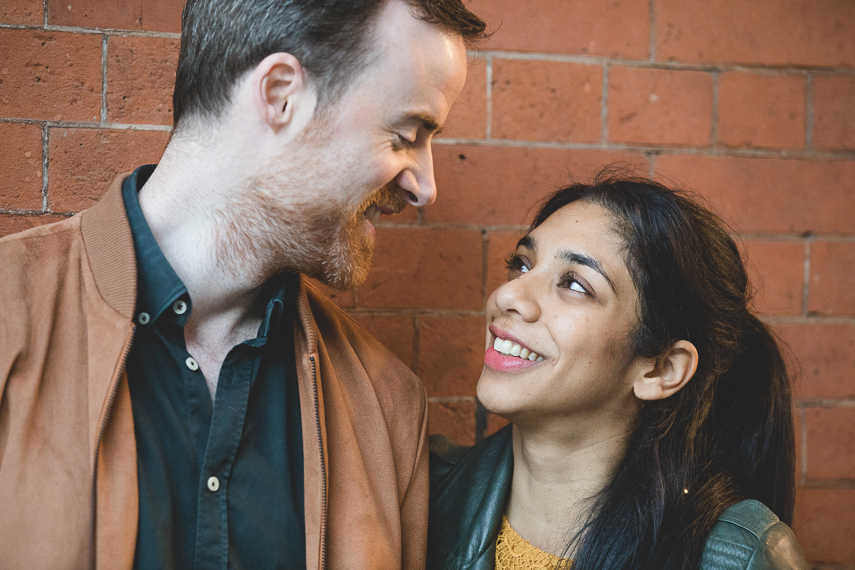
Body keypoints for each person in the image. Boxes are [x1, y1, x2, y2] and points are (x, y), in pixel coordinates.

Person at [0, 1, 485, 568]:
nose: (425, 187)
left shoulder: (387, 407)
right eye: (407, 134)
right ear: (281, 94)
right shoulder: (10, 313)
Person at [428, 170, 810, 570]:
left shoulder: (735, 558)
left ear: (661, 370)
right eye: (522, 265)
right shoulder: (425, 492)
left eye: (575, 284)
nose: (507, 295)